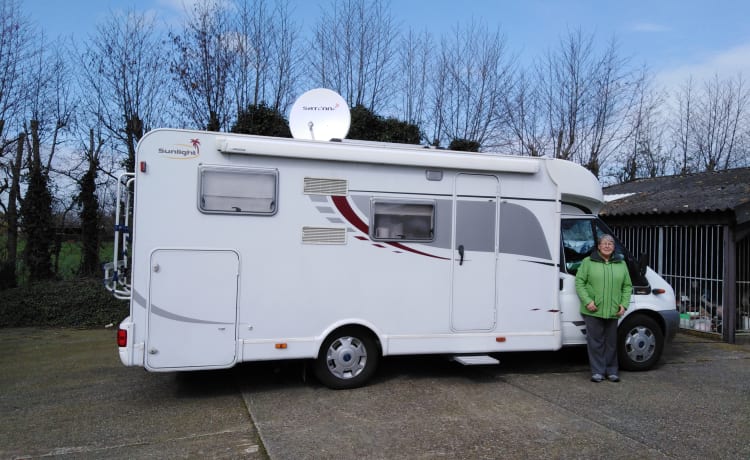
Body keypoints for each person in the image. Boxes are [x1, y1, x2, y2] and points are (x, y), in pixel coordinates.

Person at [575, 234, 632, 383]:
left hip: (613, 310)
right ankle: (598, 372)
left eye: (610, 244)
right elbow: (579, 282)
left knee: (611, 342)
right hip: (593, 310)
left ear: (614, 247)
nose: (607, 246)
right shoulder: (588, 262)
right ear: (599, 246)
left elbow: (627, 286)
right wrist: (587, 301)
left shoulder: (621, 263)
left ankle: (612, 371)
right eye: (604, 243)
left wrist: (624, 304)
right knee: (595, 343)